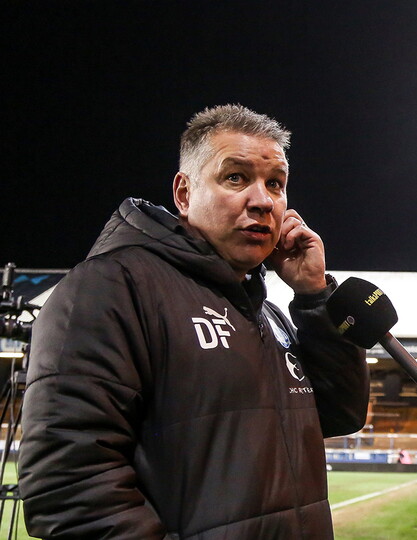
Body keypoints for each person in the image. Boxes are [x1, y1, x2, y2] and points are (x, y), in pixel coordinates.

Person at [18, 104, 370, 539]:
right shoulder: (111, 287)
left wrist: (315, 295)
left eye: (275, 184)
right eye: (235, 177)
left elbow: (341, 414)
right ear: (184, 194)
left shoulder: (269, 314)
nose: (262, 200)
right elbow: (70, 488)